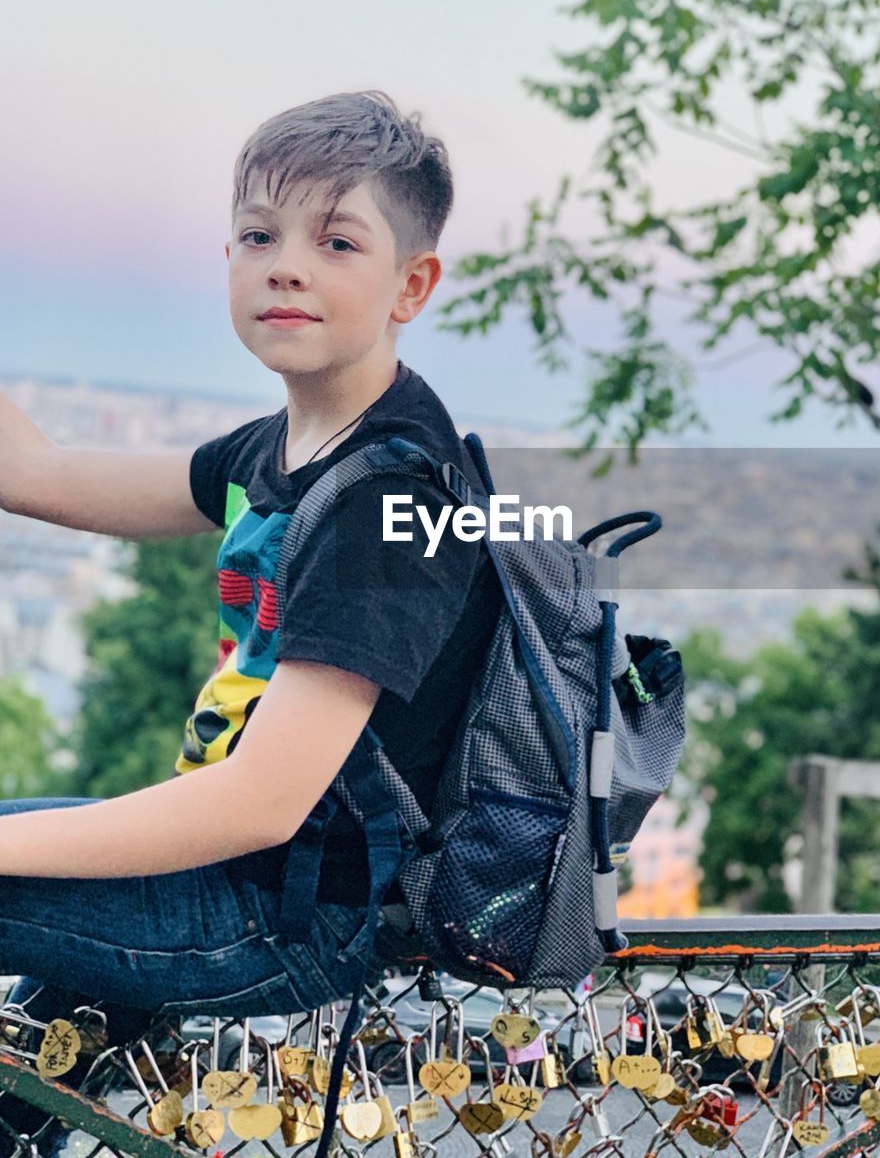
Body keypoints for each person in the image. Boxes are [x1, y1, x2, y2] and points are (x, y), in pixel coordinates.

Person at [0, 91, 503, 1150]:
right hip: (225, 878)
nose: (287, 265)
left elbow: (268, 802)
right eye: (261, 234)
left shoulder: (386, 496)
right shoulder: (275, 450)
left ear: (411, 283)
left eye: (336, 240)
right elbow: (33, 471)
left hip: (283, 915)